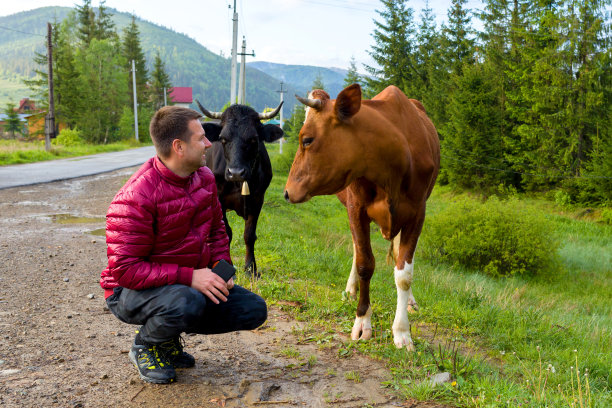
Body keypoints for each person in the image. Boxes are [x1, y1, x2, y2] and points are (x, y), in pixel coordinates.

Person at [100, 106, 267, 384]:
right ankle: (147, 344)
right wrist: (190, 277)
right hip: (127, 292)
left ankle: (167, 337)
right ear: (178, 147)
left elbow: (216, 231)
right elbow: (126, 271)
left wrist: (220, 270)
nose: (208, 144)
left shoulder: (203, 179)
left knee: (252, 309)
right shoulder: (134, 198)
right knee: (185, 300)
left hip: (182, 284)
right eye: (200, 138)